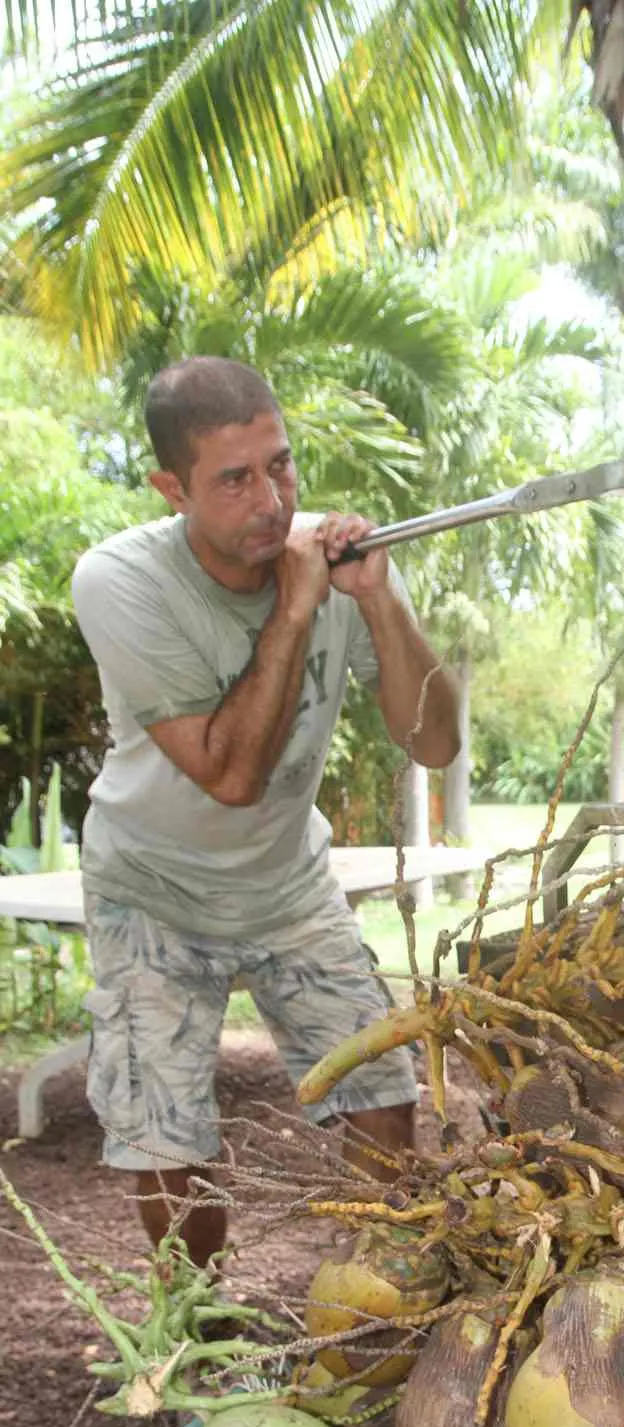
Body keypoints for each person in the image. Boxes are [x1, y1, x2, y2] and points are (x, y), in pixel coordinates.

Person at [71, 356, 460, 1268]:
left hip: (286, 886)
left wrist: (378, 609)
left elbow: (433, 743)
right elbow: (231, 775)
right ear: (173, 488)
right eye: (235, 479)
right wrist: (293, 611)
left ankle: (381, 1303)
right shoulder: (120, 582)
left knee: (383, 1097)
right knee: (170, 1141)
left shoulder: (335, 560)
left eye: (280, 465)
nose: (273, 502)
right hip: (153, 890)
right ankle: (194, 1324)